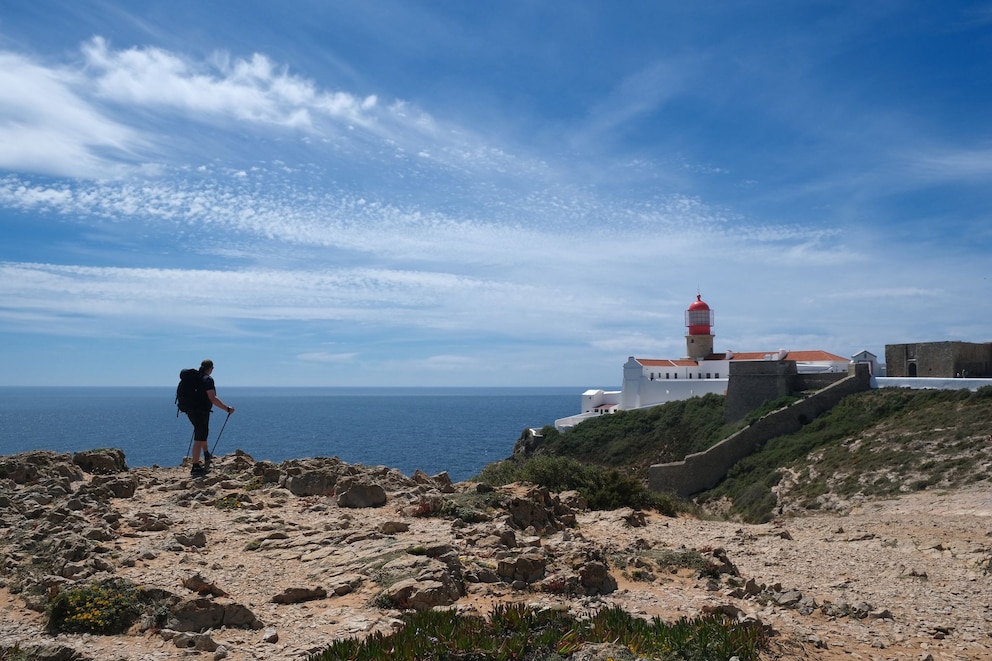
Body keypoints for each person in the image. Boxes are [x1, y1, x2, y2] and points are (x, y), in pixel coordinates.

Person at [186, 359, 235, 476]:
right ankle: (195, 466)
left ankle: (206, 453)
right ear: (210, 368)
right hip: (201, 411)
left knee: (202, 433)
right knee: (199, 437)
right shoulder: (208, 379)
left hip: (190, 410)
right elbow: (212, 398)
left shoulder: (196, 378)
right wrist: (227, 408)